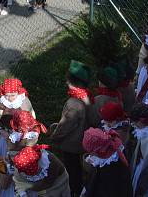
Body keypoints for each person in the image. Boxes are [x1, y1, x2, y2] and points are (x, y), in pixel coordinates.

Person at [47, 60, 95, 196]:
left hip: (72, 144)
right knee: (78, 168)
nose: (66, 83)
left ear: (74, 83)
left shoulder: (74, 103)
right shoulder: (86, 95)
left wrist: (54, 135)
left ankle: (74, 190)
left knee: (72, 169)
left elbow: (65, 125)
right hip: (83, 139)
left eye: (69, 81)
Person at [0, 79, 35, 196]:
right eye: (7, 95)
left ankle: (15, 184)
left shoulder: (24, 102)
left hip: (20, 137)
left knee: (14, 160)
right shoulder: (1, 103)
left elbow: (31, 118)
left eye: (12, 95)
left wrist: (23, 133)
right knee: (1, 158)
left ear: (18, 92)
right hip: (4, 134)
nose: (9, 98)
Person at [82, 127, 132, 197]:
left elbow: (103, 190)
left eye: (91, 151)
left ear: (97, 151)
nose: (90, 154)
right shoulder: (114, 150)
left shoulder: (109, 168)